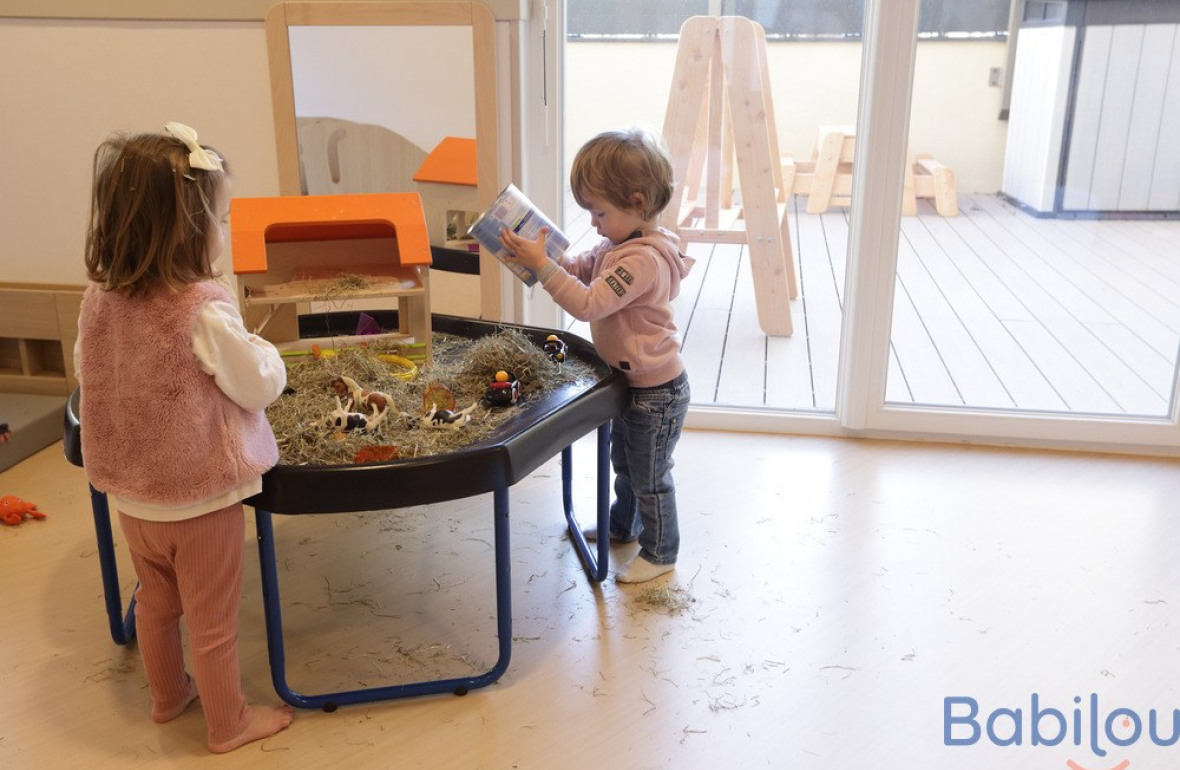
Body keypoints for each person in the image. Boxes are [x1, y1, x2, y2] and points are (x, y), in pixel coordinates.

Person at [75, 123, 293, 752]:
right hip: (199, 498)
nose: (225, 230)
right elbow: (257, 385)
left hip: (135, 497)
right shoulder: (202, 307)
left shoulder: (98, 299)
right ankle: (229, 724)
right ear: (189, 230)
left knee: (155, 602)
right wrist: (263, 350)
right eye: (221, 217)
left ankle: (169, 698)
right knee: (213, 619)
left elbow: (88, 373)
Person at [499, 126, 693, 584]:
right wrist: (542, 257)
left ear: (638, 203)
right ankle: (624, 525)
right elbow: (578, 270)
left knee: (650, 475)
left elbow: (589, 302)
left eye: (599, 212)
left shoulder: (642, 260)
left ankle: (661, 552)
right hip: (632, 384)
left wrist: (544, 268)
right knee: (624, 464)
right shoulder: (617, 245)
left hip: (658, 391)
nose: (593, 223)